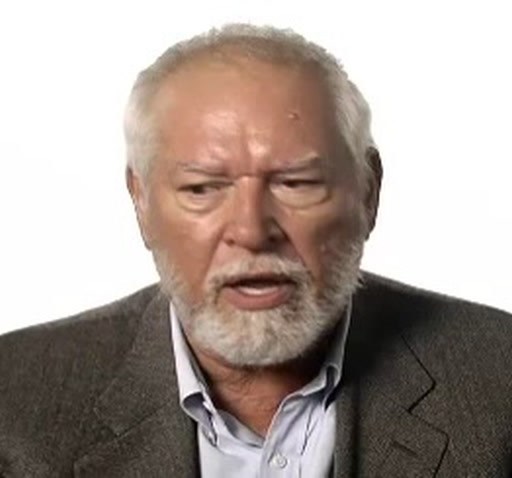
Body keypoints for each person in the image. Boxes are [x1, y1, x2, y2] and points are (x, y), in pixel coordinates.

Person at [1, 23, 511, 478]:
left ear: (367, 194)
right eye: (202, 189)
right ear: (141, 202)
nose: (250, 231)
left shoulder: (498, 380)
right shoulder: (14, 399)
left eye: (296, 183)